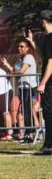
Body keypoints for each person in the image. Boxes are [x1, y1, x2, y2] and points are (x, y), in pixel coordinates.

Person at [0, 39, 39, 142]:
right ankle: (27, 134)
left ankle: (34, 134)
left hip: (29, 87)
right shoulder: (21, 59)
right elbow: (15, 70)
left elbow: (21, 71)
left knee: (30, 111)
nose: (19, 48)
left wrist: (13, 74)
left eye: (22, 46)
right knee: (24, 112)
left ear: (27, 48)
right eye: (18, 46)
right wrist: (6, 64)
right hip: (22, 88)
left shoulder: (29, 57)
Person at [37, 10, 52, 155]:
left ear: (43, 21)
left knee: (48, 113)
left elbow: (51, 62)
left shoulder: (49, 39)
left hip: (50, 83)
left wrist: (43, 82)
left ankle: (49, 144)